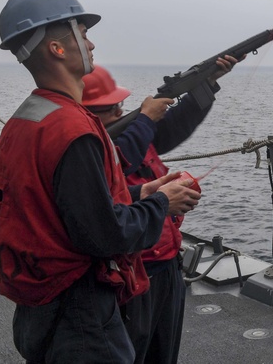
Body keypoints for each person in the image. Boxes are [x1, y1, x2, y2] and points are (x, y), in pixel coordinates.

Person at [0, 0, 202, 364]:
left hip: (40, 302)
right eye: (83, 34)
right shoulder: (73, 129)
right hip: (79, 311)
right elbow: (104, 236)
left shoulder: (26, 119)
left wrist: (140, 194)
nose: (92, 44)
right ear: (57, 48)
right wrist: (162, 204)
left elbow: (60, 206)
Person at [81, 57, 239, 364]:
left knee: (163, 353)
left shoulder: (132, 135)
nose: (119, 111)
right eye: (109, 108)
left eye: (120, 105)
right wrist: (143, 121)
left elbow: (172, 128)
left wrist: (205, 83)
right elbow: (109, 194)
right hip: (131, 275)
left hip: (167, 266)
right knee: (131, 354)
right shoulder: (94, 151)